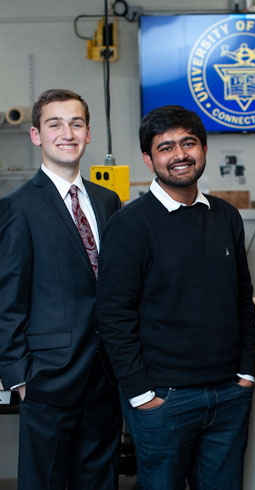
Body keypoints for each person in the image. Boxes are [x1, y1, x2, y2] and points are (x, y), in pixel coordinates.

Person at [95, 105, 255, 490]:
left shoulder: (226, 216)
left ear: (203, 148)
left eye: (188, 143)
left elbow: (242, 299)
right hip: (163, 400)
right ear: (149, 160)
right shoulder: (129, 225)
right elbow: (113, 315)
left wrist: (246, 371)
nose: (180, 154)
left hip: (228, 395)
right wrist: (139, 394)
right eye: (165, 147)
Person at [0, 89, 122, 490]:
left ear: (88, 134)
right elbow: (8, 298)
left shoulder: (108, 201)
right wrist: (19, 379)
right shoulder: (17, 208)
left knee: (100, 480)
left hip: (105, 376)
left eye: (76, 123)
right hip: (47, 379)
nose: (67, 133)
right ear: (36, 135)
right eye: (55, 123)